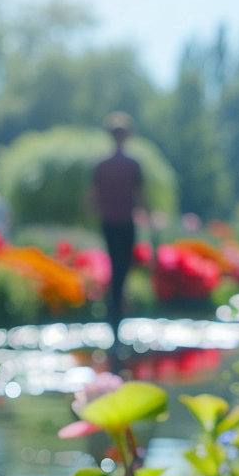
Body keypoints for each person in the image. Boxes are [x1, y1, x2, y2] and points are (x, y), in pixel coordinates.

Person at [89, 112, 146, 338]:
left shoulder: (101, 164)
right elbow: (140, 195)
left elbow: (91, 198)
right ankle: (118, 309)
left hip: (109, 221)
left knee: (116, 265)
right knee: (122, 266)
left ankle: (115, 308)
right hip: (124, 221)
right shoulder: (132, 164)